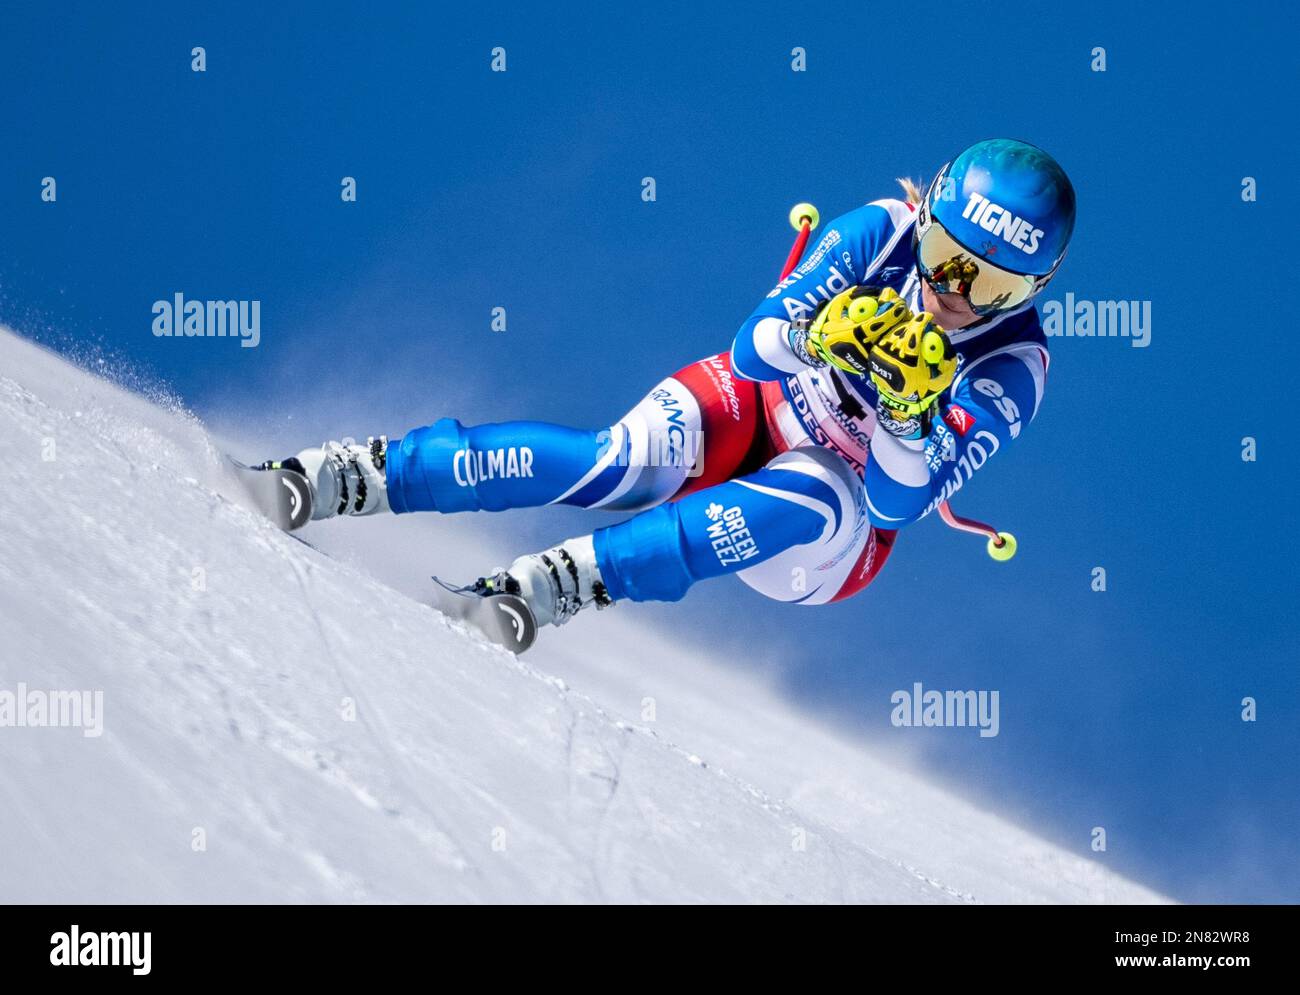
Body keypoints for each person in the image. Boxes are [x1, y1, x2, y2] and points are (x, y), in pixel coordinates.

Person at [259, 138, 1075, 629]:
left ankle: (566, 582)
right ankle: (368, 472)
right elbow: (754, 349)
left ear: (1033, 294)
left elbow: (898, 505)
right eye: (946, 262)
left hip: (833, 535)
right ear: (926, 218)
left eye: (994, 289)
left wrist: (902, 414)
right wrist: (819, 332)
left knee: (820, 487)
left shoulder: (1015, 368)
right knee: (621, 460)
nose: (955, 295)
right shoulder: (882, 231)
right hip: (766, 401)